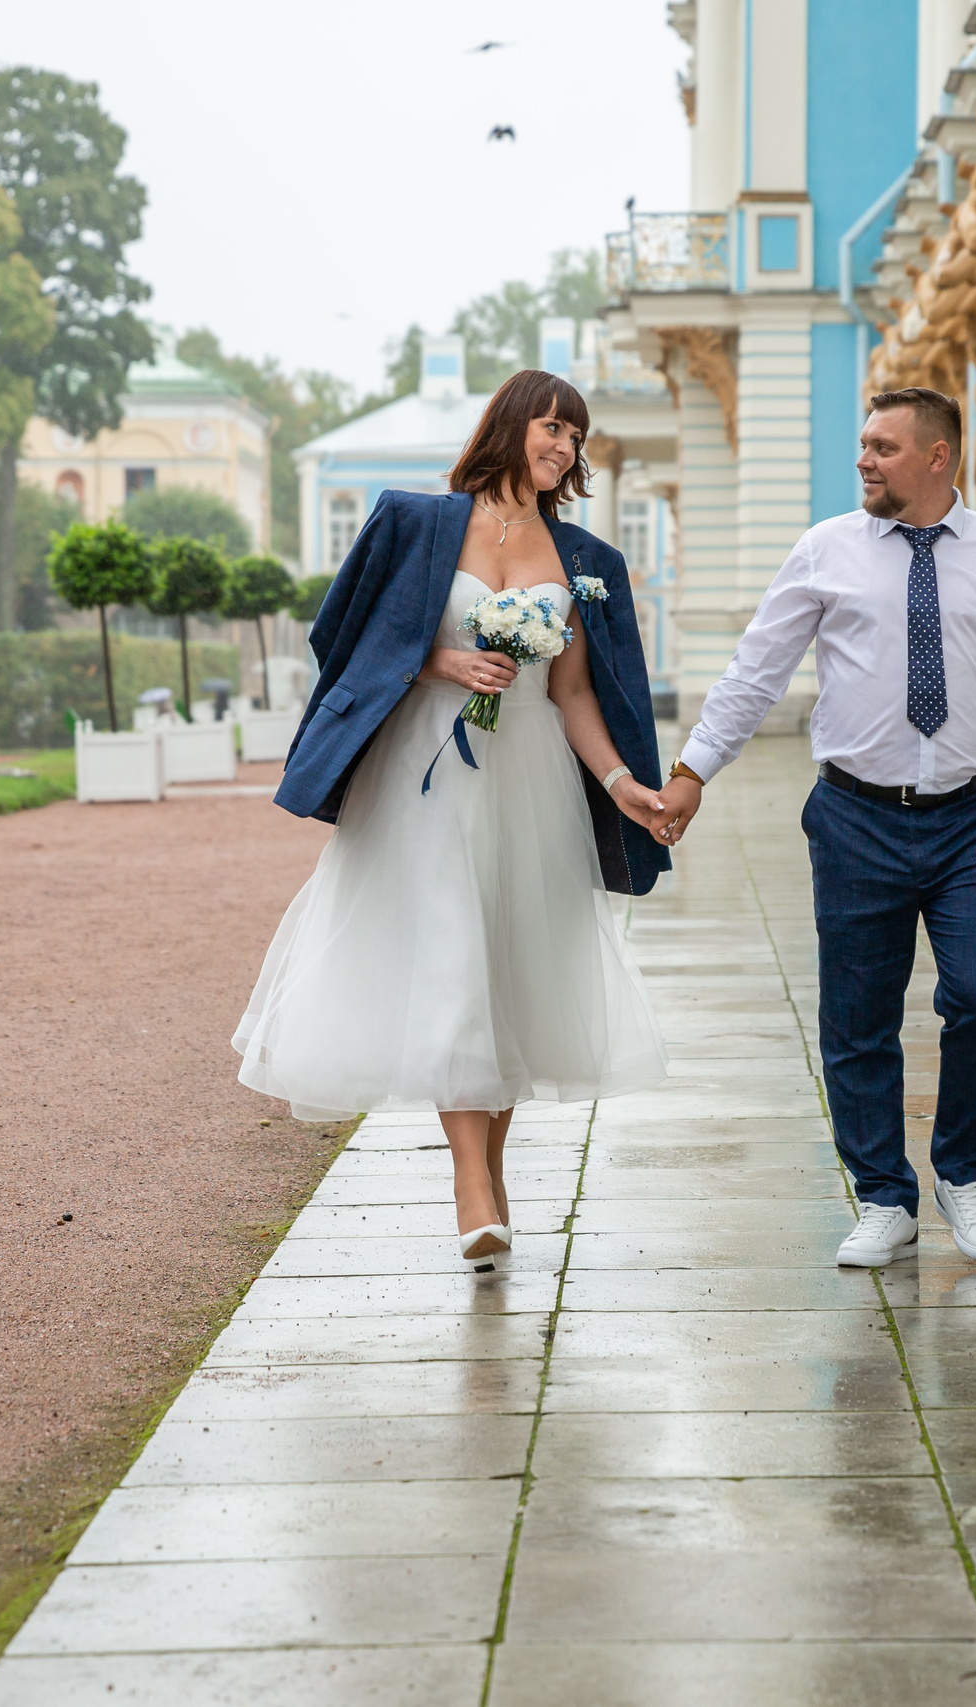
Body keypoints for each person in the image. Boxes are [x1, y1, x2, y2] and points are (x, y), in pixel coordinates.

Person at [651, 387, 976, 1268]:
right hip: (855, 815)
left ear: (938, 456)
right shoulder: (825, 550)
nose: (863, 459)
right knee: (858, 1016)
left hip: (973, 818)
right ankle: (884, 1198)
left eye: (883, 447)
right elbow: (757, 670)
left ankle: (963, 1176)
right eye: (863, 444)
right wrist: (693, 770)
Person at [233, 369, 675, 1269]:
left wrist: (622, 781)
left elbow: (575, 693)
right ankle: (471, 1181)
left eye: (576, 437)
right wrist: (440, 663)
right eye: (552, 427)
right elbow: (346, 637)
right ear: (509, 425)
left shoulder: (585, 558)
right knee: (451, 959)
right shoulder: (414, 523)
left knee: (507, 970)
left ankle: (491, 1174)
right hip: (425, 778)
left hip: (532, 781)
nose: (565, 447)